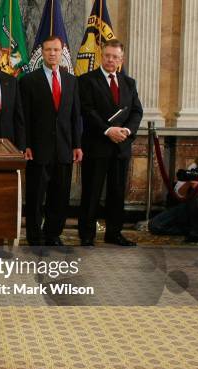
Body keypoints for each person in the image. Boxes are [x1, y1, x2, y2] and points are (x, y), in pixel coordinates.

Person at [78, 39, 143, 246]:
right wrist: (107, 130)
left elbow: (136, 111)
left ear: (121, 59)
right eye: (107, 56)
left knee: (117, 193)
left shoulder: (129, 83)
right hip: (97, 146)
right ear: (101, 55)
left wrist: (127, 130)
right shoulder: (87, 80)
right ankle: (87, 234)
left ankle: (114, 233)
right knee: (91, 193)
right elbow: (86, 110)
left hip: (121, 147)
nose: (111, 60)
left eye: (115, 57)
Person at [20, 36, 82, 246]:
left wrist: (77, 145)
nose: (52, 54)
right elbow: (24, 116)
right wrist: (25, 144)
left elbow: (75, 116)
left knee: (60, 194)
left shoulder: (71, 81)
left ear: (62, 51)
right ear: (42, 52)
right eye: (48, 50)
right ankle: (35, 236)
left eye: (56, 50)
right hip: (38, 148)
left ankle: (53, 234)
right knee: (36, 195)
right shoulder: (29, 81)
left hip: (64, 148)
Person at [149, 154, 198, 244]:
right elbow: (179, 195)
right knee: (155, 225)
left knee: (196, 195)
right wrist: (189, 184)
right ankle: (197, 231)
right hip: (191, 209)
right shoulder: (195, 167)